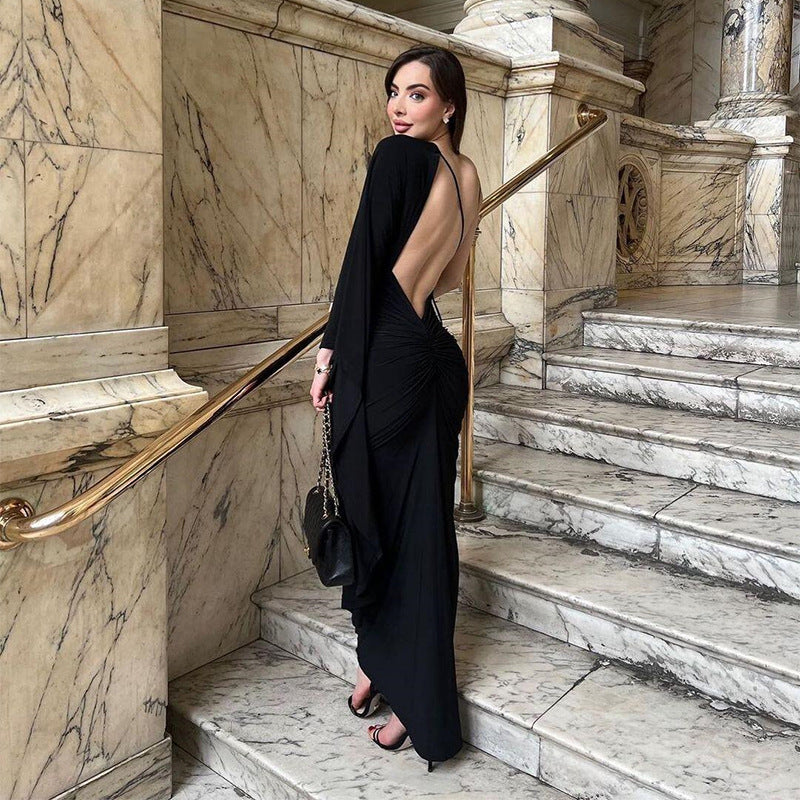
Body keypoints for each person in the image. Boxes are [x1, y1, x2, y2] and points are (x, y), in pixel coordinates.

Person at [309, 43, 482, 772]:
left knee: (374, 519)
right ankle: (391, 672)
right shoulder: (466, 173)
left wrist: (331, 351)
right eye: (394, 92)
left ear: (448, 104)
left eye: (418, 94)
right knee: (422, 525)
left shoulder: (398, 158)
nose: (399, 107)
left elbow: (363, 261)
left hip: (387, 354)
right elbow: (452, 273)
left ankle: (400, 680)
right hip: (437, 356)